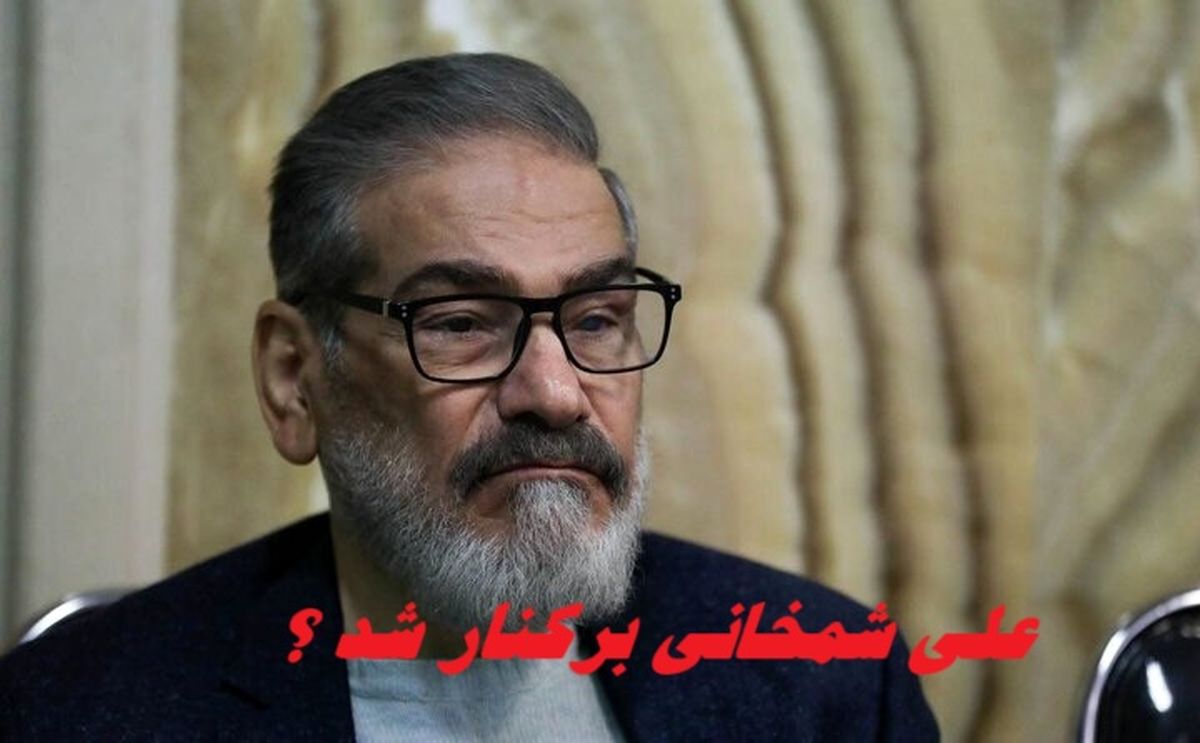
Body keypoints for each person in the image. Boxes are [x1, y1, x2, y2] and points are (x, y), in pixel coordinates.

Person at [0, 53, 938, 741]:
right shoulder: (74, 711)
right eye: (460, 323)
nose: (556, 393)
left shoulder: (828, 680)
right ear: (294, 378)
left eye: (598, 318)